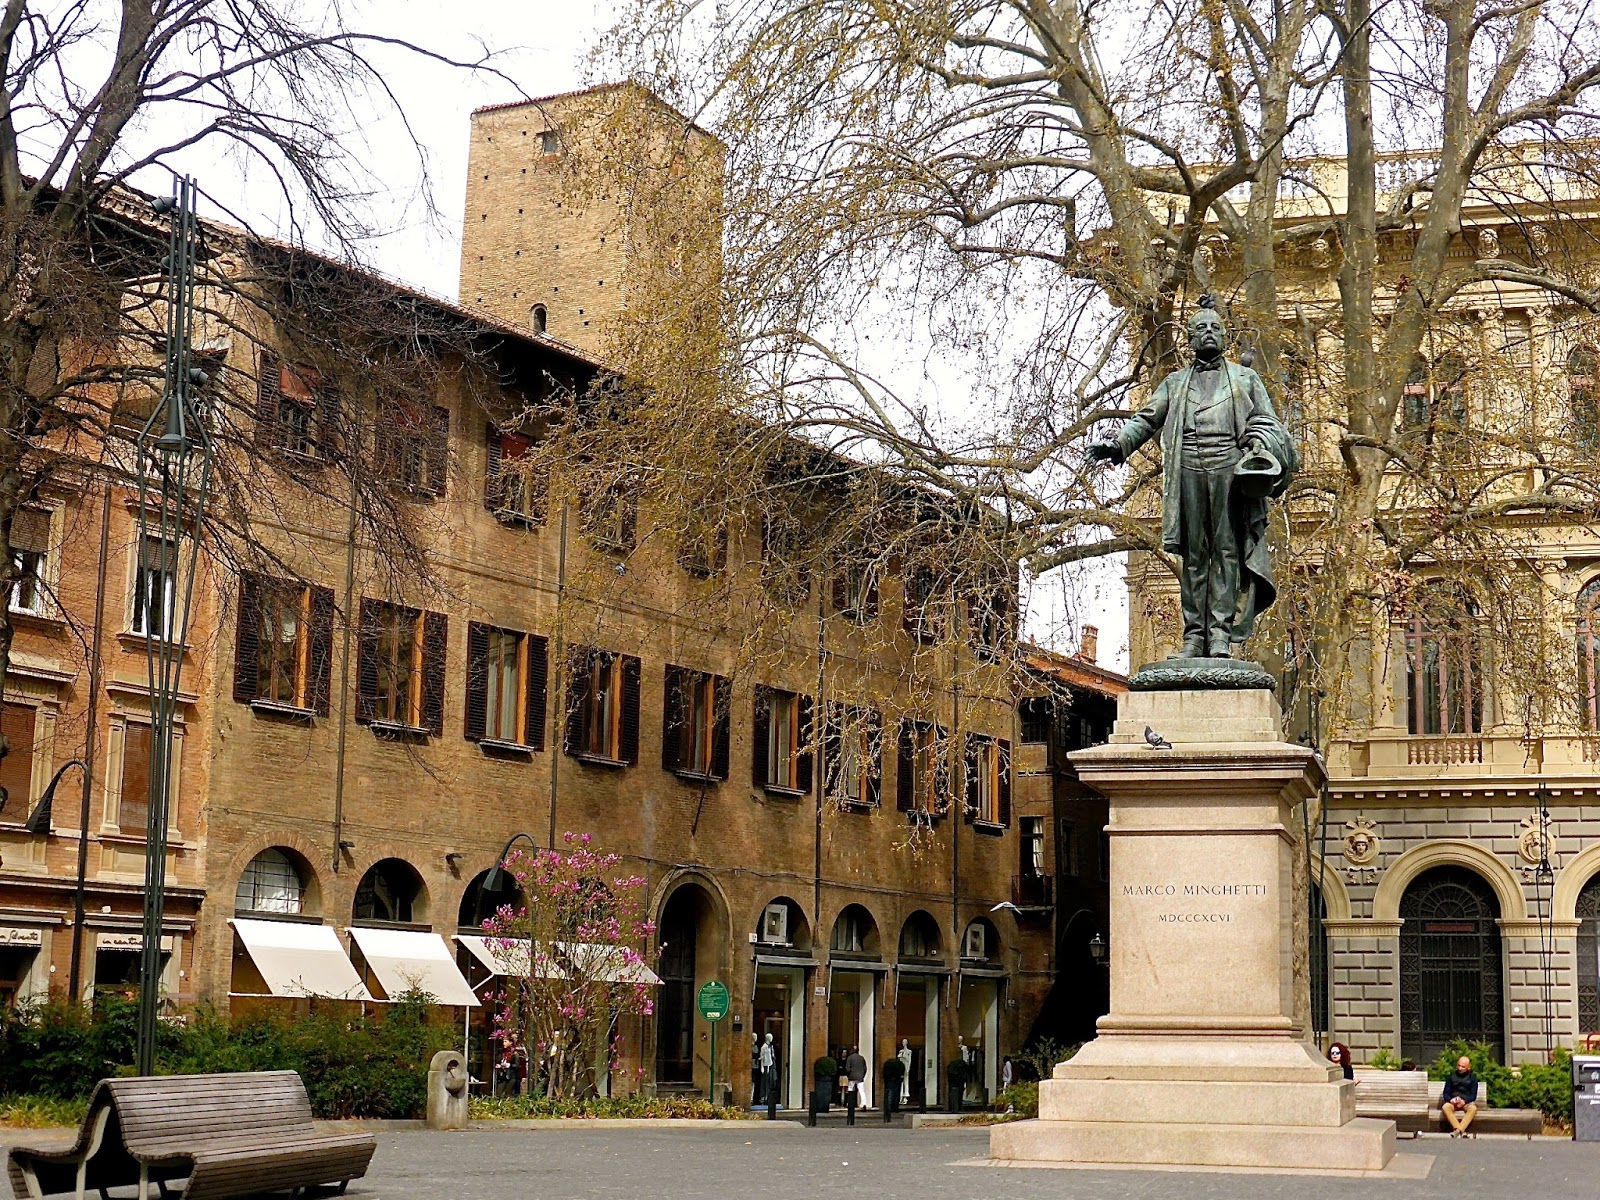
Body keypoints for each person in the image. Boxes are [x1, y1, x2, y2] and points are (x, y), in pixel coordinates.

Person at [1086, 296, 1297, 659]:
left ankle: (1219, 636)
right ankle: (1193, 637)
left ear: (1226, 337)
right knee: (1195, 555)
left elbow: (1269, 422)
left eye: (1215, 328)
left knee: (1227, 552)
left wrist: (1260, 443)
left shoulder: (1246, 378)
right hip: (1188, 471)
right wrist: (1118, 446)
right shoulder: (1175, 382)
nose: (1209, 333)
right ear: (1190, 339)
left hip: (1231, 472)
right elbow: (1147, 418)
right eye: (1201, 329)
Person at [1440, 1055, 1479, 1137]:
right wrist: (1451, 1100)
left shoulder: (1473, 1078)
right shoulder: (1451, 1076)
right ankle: (1461, 1130)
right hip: (1453, 1101)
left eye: (1463, 1067)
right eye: (1459, 1065)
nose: (1460, 1068)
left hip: (1466, 1102)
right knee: (1445, 1107)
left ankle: (1457, 1130)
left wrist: (1464, 1101)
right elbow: (1445, 1093)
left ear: (1468, 1067)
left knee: (1473, 1108)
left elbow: (1473, 1096)